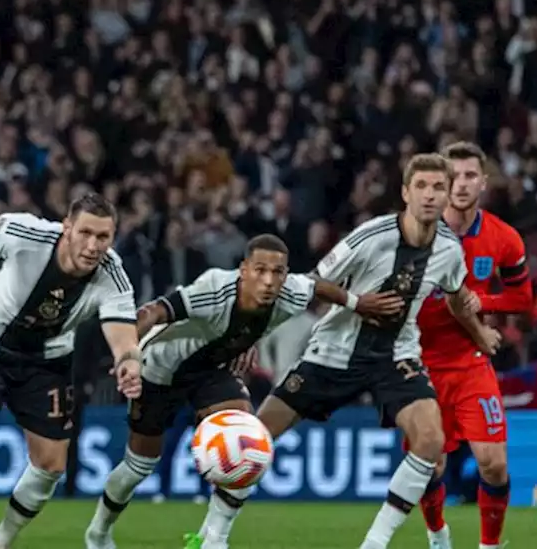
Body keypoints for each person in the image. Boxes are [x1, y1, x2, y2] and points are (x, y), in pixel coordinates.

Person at [186, 153, 495, 549]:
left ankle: (375, 543)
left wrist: (479, 332)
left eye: (439, 187)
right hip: (332, 353)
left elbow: (455, 295)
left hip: (395, 357)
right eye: (421, 186)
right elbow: (310, 283)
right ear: (405, 192)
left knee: (431, 439)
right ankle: (213, 537)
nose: (430, 195)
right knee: (256, 438)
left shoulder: (450, 250)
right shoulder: (371, 238)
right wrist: (350, 304)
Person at [84, 234, 405, 549]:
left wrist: (356, 303)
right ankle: (98, 532)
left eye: (277, 272)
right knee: (138, 467)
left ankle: (215, 540)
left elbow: (316, 284)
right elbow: (153, 311)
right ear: (243, 270)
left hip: (210, 371)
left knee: (248, 441)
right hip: (159, 371)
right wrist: (127, 352)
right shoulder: (214, 288)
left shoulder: (291, 291)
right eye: (260, 270)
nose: (268, 280)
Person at [0, 194, 143, 549]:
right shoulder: (29, 234)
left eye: (103, 237)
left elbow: (123, 333)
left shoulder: (113, 274)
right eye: (85, 233)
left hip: (46, 358)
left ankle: (0, 542)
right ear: (67, 228)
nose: (93, 245)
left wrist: (128, 360)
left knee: (51, 465)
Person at [413, 142, 533, 549]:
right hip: (418, 364)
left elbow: (523, 299)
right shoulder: (417, 231)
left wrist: (486, 301)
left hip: (470, 362)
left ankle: (488, 546)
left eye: (469, 176)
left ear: (483, 183)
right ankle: (437, 534)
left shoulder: (503, 238)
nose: (461, 185)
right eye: (454, 177)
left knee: (493, 464)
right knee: (430, 466)